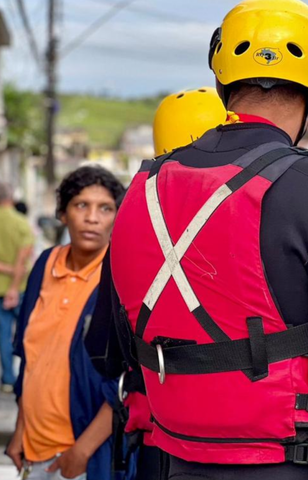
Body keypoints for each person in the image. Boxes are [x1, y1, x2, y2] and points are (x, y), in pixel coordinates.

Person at [99, 2, 308, 480]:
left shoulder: (141, 189)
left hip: (169, 461)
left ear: (222, 83)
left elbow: (108, 353)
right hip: (289, 462)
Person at [86, 87, 227, 480]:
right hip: (255, 443)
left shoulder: (134, 222)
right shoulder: (257, 217)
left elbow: (104, 350)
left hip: (162, 440)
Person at [6, 166, 127, 480]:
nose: (92, 217)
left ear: (116, 218)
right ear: (62, 213)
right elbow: (28, 354)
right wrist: (20, 429)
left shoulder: (120, 278)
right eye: (81, 205)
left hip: (82, 456)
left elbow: (128, 379)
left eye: (105, 208)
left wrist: (83, 451)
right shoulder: (45, 264)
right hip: (33, 451)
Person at [0, 181, 34, 394]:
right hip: (21, 287)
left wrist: (8, 273)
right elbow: (25, 254)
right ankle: (29, 373)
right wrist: (16, 278)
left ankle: (8, 380)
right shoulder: (20, 222)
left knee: (3, 334)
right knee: (28, 332)